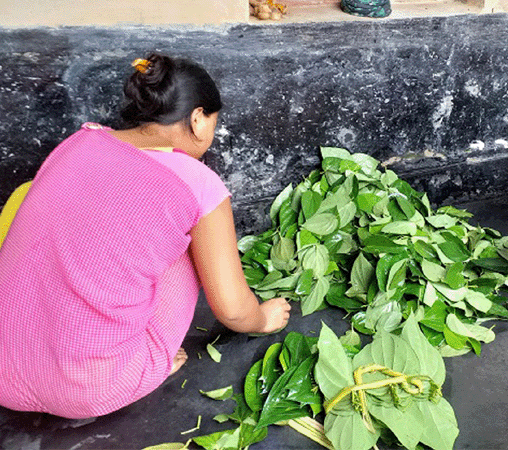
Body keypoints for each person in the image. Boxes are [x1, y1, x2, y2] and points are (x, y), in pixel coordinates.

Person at [0, 54, 291, 419]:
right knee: (192, 241)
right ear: (198, 120)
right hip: (88, 389)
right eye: (213, 125)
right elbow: (231, 309)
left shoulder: (79, 141)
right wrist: (262, 319)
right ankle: (143, 363)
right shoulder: (196, 182)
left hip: (3, 375)